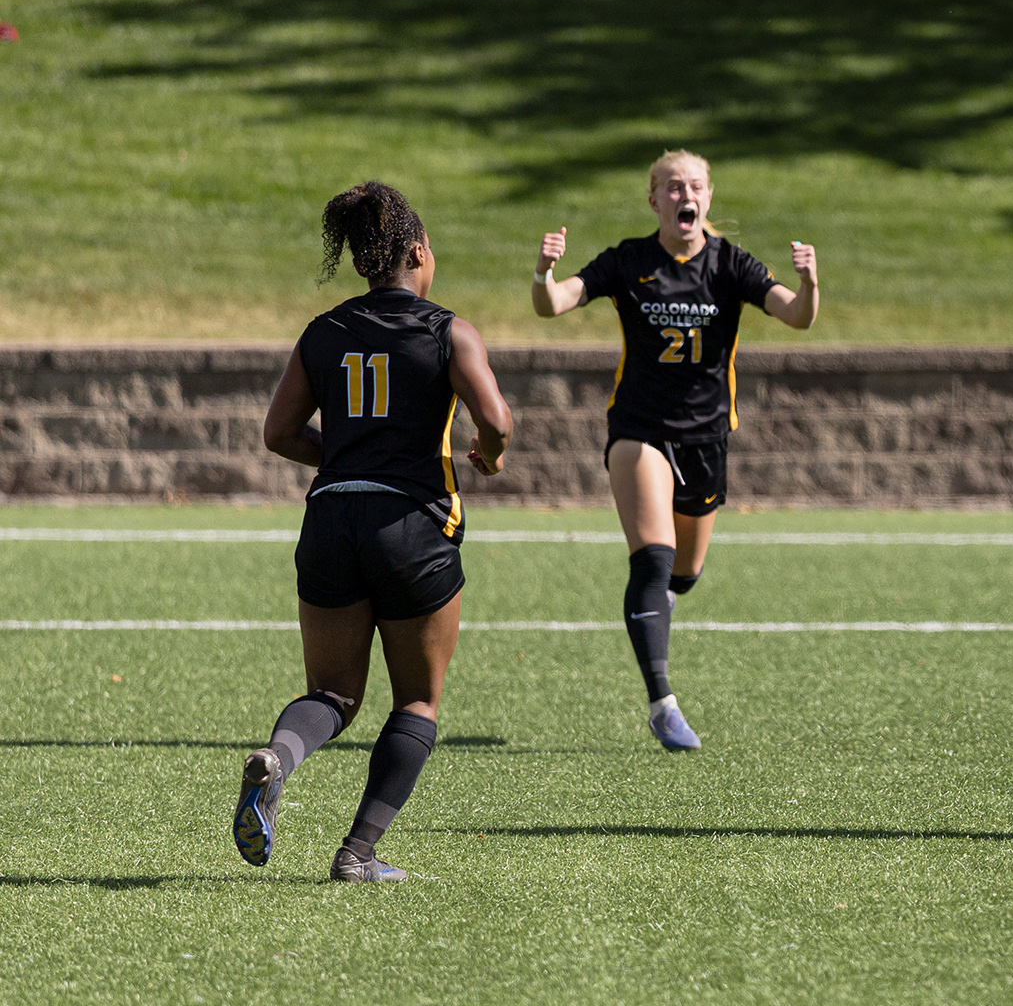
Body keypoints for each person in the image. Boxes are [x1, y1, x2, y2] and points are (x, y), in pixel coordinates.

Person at [235, 181, 513, 883]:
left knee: (332, 693)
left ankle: (278, 759)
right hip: (411, 524)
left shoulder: (323, 331)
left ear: (362, 261)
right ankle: (357, 853)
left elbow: (278, 433)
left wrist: (349, 458)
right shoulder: (448, 328)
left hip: (331, 518)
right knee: (416, 699)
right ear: (417, 251)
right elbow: (499, 421)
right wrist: (490, 455)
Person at [531, 149, 820, 750]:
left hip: (707, 437)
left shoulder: (730, 264)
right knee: (654, 561)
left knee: (685, 573)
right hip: (639, 430)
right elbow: (555, 304)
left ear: (707, 198)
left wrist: (810, 283)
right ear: (654, 200)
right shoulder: (629, 260)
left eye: (694, 186)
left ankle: (658, 609)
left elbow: (797, 317)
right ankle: (662, 702)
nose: (684, 195)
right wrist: (543, 274)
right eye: (671, 186)